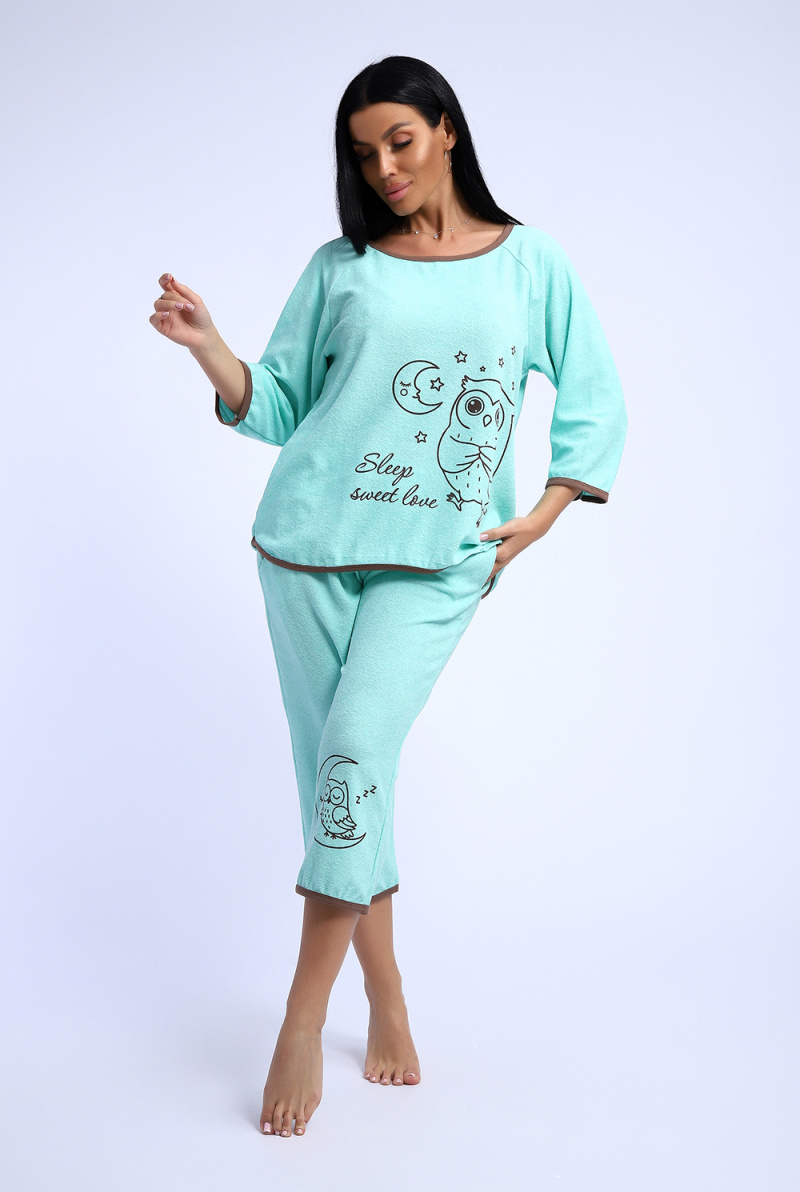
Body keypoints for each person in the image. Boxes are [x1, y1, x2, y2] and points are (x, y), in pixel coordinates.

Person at [149, 55, 627, 1140]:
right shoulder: (342, 266)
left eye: (400, 142)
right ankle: (386, 987)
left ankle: (302, 1014)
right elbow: (280, 406)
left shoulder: (531, 264)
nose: (384, 169)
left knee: (354, 754)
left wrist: (546, 510)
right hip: (304, 552)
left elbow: (594, 393)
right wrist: (209, 346)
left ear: (447, 130)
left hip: (440, 560)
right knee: (339, 784)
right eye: (364, 154)